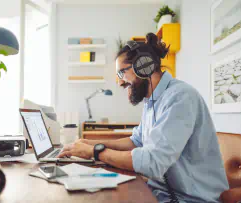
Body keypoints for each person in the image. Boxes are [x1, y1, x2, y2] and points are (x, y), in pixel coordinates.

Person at [58, 33, 229, 202]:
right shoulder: (151, 101)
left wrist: (95, 152)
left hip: (190, 199)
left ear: (143, 66)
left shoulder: (180, 98)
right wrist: (91, 144)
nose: (120, 82)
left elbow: (152, 162)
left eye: (121, 73)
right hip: (159, 192)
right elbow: (136, 141)